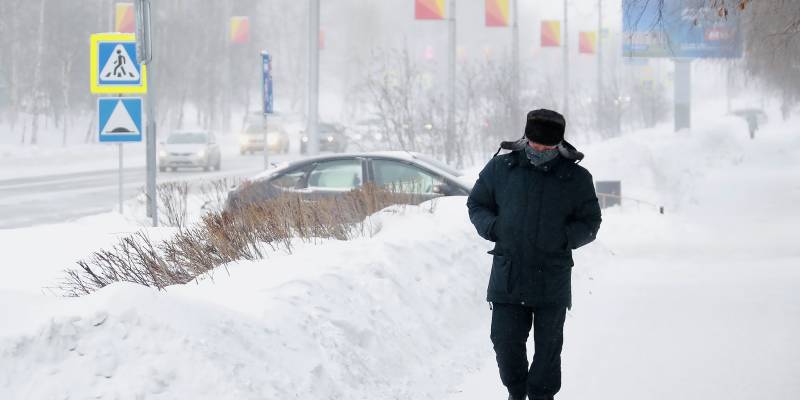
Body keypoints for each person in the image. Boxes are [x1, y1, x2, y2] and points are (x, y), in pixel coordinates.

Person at [467, 109, 602, 400]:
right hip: (508, 276)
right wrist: (494, 227)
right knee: (504, 343)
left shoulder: (576, 178)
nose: (540, 151)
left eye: (548, 148)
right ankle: (516, 392)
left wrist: (564, 238)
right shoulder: (501, 169)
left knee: (548, 351)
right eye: (535, 145)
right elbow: (477, 204)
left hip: (551, 278)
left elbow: (591, 222)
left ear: (559, 145)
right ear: (526, 138)